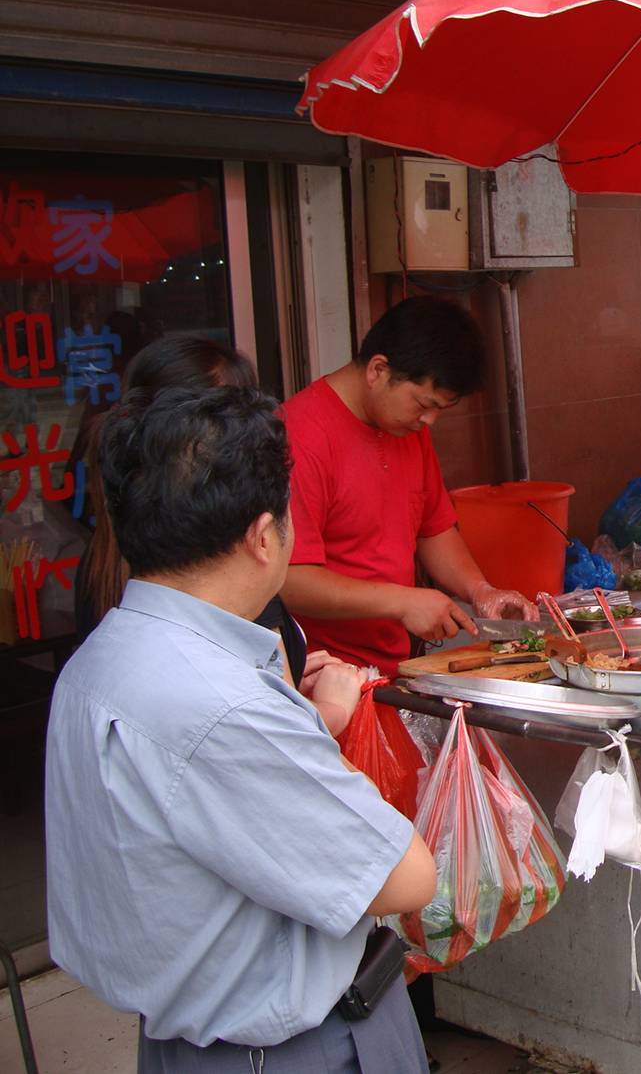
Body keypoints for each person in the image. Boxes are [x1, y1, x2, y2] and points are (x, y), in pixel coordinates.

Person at [46, 386, 436, 1072]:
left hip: (186, 1040)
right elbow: (405, 878)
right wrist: (326, 733)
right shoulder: (222, 706)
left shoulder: (99, 661)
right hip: (286, 1051)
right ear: (263, 536)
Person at [280, 296, 536, 676]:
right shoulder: (298, 436)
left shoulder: (403, 427)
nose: (429, 421)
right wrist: (402, 602)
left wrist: (480, 591)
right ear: (378, 370)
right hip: (323, 676)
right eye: (423, 404)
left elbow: (433, 528)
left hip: (397, 665)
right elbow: (289, 579)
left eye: (440, 410)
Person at [73, 334, 311, 682]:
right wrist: (330, 706)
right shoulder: (233, 573)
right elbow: (264, 719)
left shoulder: (102, 559)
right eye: (235, 414)